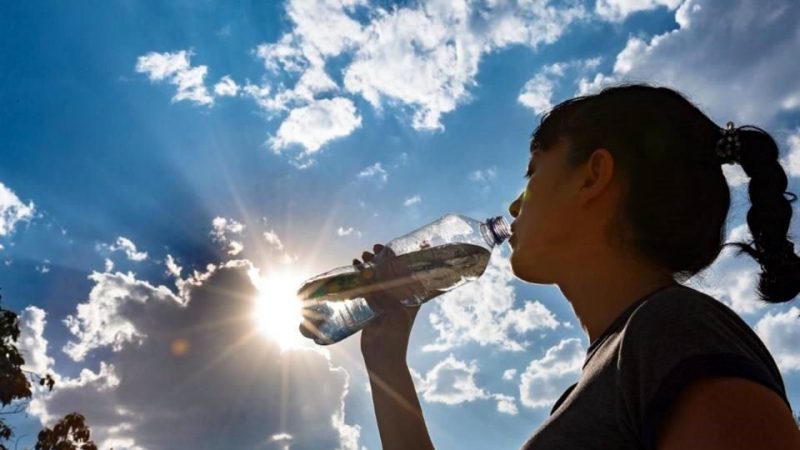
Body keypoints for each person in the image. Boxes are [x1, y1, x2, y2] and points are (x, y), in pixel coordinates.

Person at [352, 83, 800, 449]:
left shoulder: (674, 329)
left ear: (592, 176)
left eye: (532, 172)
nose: (513, 204)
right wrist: (386, 362)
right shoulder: (611, 370)